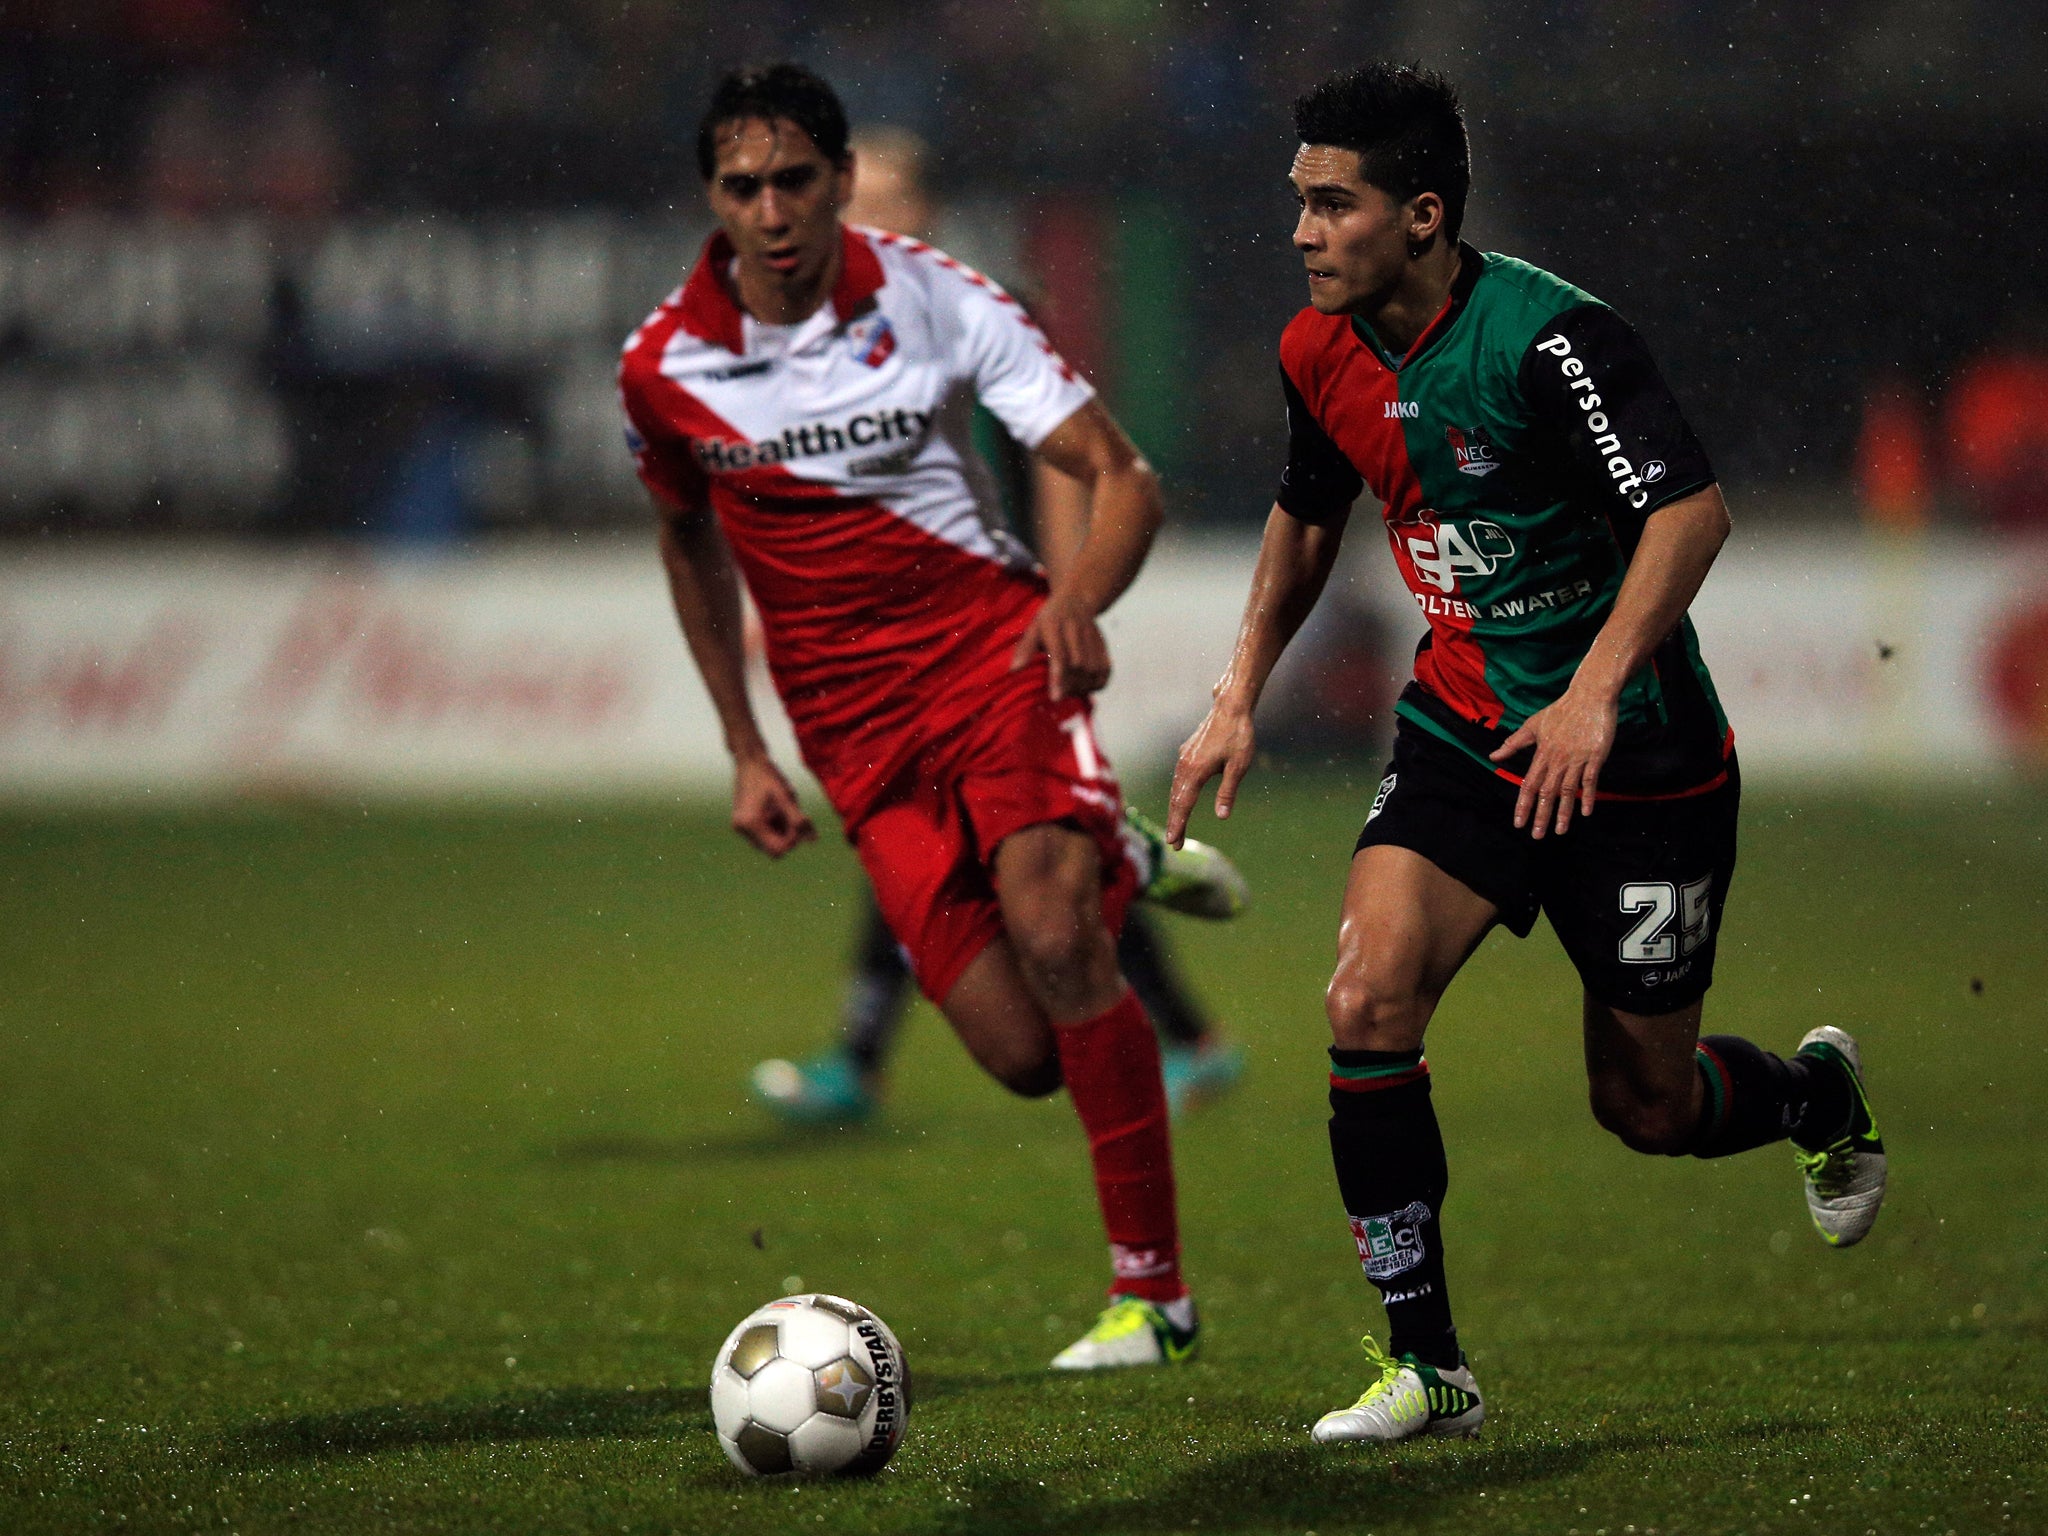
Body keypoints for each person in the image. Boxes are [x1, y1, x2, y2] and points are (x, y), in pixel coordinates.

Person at [1167, 63, 1886, 1443]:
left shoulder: (1551, 342)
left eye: (1335, 204)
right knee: (1366, 999)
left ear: (1423, 214)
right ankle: (1427, 1366)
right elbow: (1308, 512)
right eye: (1298, 202)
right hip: (1463, 731)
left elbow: (1691, 515)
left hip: (1643, 763)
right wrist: (1238, 689)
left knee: (1650, 1106)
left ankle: (1813, 1093)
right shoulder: (1314, 351)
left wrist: (1597, 690)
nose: (1304, 232)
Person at [621, 64, 1202, 1370]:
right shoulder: (665, 367)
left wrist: (1076, 601)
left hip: (995, 667)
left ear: (835, 183)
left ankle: (1151, 1297)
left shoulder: (939, 297)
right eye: (742, 185)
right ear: (711, 194)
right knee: (1019, 1054)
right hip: (855, 742)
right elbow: (686, 545)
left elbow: (1119, 475)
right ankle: (1122, 854)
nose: (770, 210)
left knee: (1058, 940)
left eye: (795, 181)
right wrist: (743, 747)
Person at [748, 125, 1247, 1127]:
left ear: (922, 211)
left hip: (991, 627)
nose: (863, 218)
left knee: (989, 844)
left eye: (885, 197)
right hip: (890, 640)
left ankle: (859, 1062)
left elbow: (1067, 464)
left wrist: (1065, 601)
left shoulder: (983, 314)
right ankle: (1176, 1010)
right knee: (973, 845)